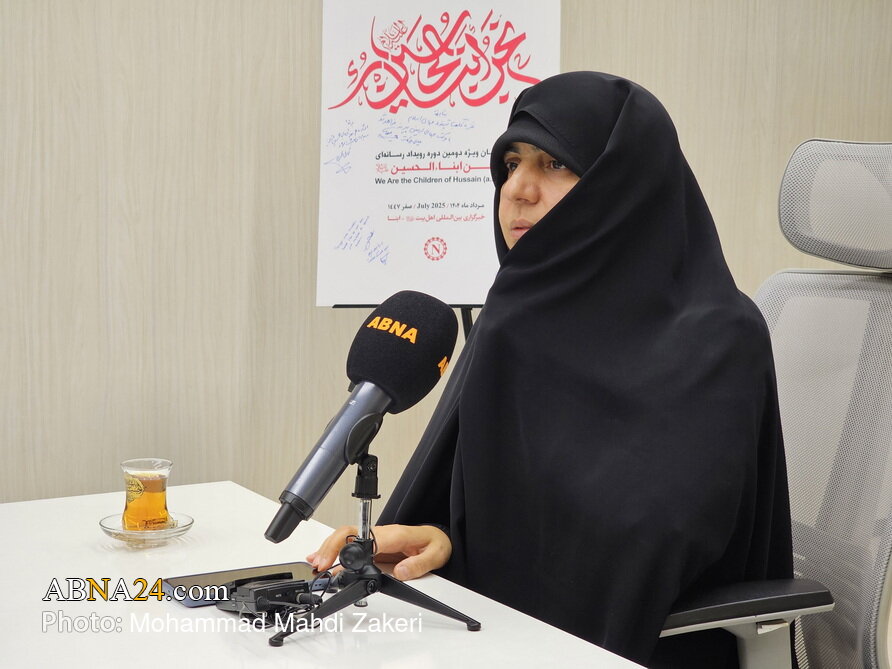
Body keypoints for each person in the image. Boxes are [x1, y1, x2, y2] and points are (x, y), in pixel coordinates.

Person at [308, 71, 793, 667]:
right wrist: (443, 539)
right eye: (511, 163)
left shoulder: (716, 338)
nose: (517, 189)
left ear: (625, 186)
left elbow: (644, 551)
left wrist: (483, 560)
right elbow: (504, 508)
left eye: (554, 164)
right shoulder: (513, 320)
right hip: (499, 637)